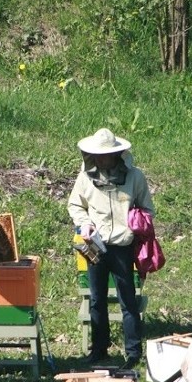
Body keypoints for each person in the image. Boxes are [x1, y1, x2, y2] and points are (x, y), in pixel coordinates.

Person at [67, 128, 155, 369]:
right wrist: (85, 224)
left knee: (128, 299)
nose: (101, 159)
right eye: (97, 155)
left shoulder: (135, 177)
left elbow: (148, 208)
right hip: (95, 246)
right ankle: (99, 350)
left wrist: (137, 222)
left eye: (105, 155)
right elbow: (75, 205)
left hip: (122, 247)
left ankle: (133, 353)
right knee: (97, 299)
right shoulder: (85, 178)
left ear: (117, 154)